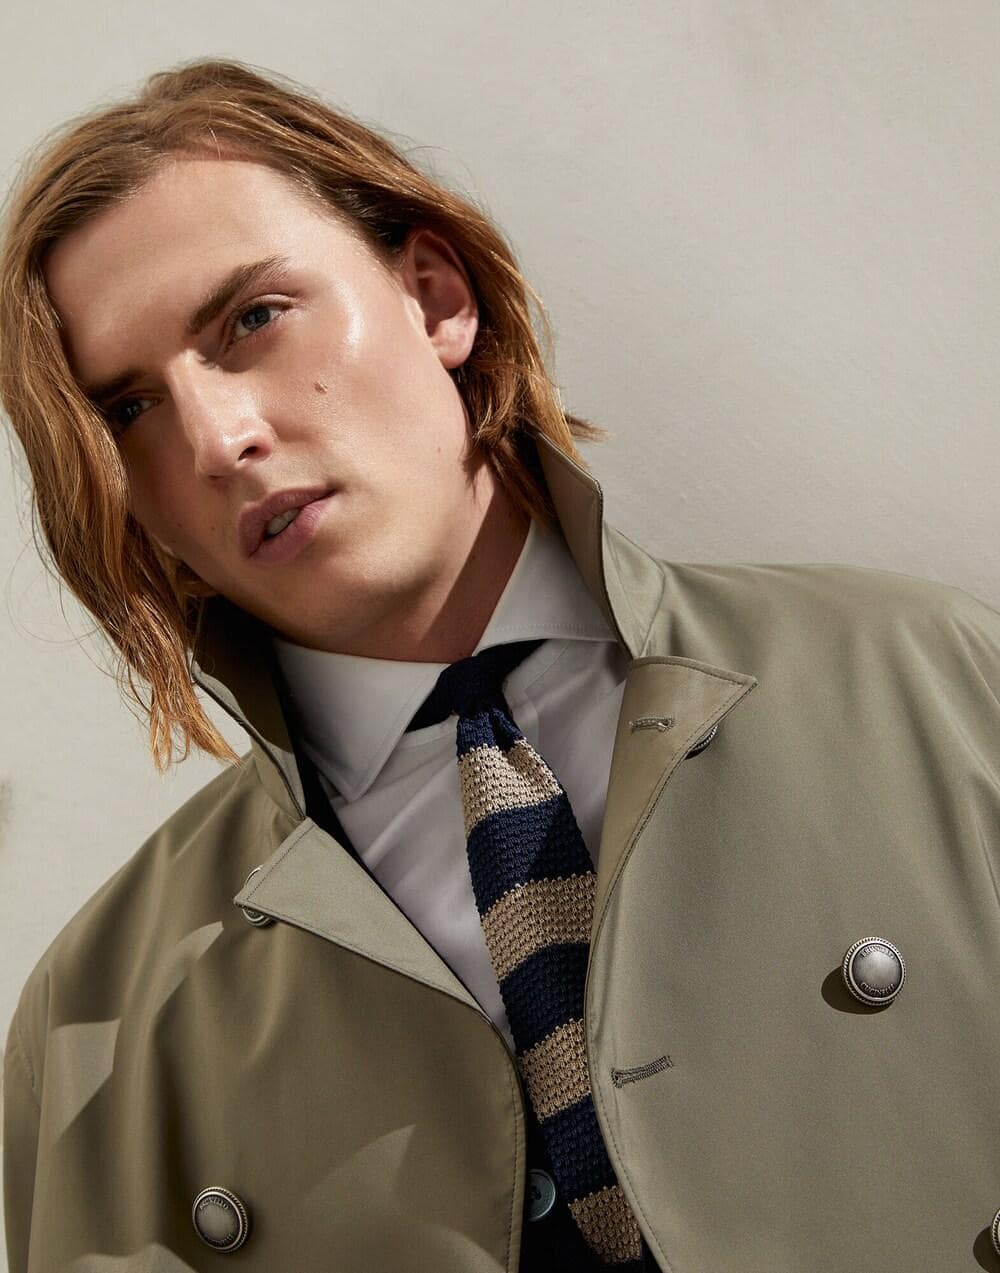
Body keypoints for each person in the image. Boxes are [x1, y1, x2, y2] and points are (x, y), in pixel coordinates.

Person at [1, 57, 998, 1273]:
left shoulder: (936, 685)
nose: (218, 438)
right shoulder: (99, 1028)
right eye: (127, 410)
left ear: (435, 297)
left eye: (253, 319)